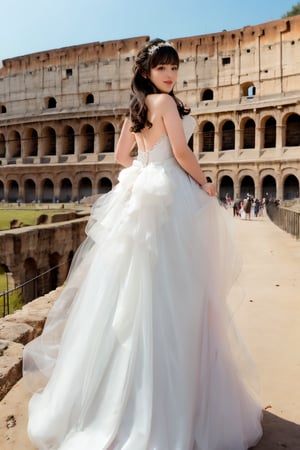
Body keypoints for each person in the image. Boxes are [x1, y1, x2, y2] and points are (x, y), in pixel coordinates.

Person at [23, 39, 263, 450]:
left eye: (174, 67)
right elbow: (184, 150)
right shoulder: (166, 105)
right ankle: (175, 400)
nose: (170, 75)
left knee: (131, 295)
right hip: (171, 195)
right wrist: (202, 181)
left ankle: (116, 400)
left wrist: (146, 169)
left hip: (143, 193)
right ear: (147, 72)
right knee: (180, 293)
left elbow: (120, 156)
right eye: (162, 68)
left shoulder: (133, 109)